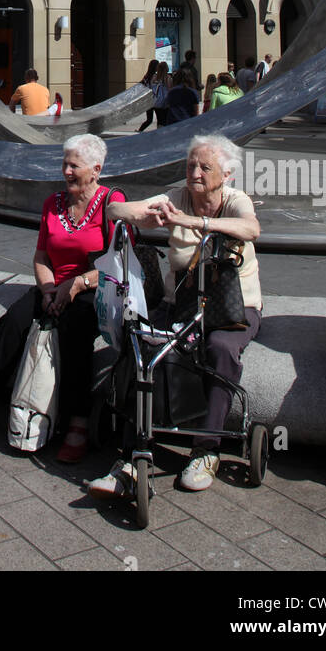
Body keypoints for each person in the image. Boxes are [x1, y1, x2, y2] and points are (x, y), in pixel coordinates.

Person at [0, 134, 169, 462]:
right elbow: (41, 256)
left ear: (95, 170)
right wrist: (46, 290)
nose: (66, 171)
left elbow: (120, 263)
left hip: (94, 289)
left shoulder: (111, 201)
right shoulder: (52, 203)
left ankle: (78, 421)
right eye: (64, 164)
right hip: (52, 286)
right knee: (12, 322)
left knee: (75, 329)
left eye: (75, 165)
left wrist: (75, 285)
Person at [88, 134, 262, 498]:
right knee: (144, 350)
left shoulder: (235, 200)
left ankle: (206, 450)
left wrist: (197, 224)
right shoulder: (176, 198)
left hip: (233, 307)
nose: (195, 172)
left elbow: (251, 229)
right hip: (182, 302)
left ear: (226, 174)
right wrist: (145, 214)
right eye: (190, 165)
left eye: (204, 167)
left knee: (220, 350)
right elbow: (115, 211)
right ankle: (131, 458)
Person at [137, 60, 160, 133]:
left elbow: (141, 85)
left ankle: (140, 130)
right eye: (157, 65)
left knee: (149, 119)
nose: (158, 67)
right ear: (155, 67)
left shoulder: (146, 76)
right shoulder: (155, 76)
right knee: (159, 118)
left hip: (148, 100)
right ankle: (159, 132)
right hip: (155, 100)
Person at [151, 61, 170, 127]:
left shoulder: (154, 77)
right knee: (165, 119)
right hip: (166, 102)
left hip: (157, 102)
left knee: (159, 119)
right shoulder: (168, 78)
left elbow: (151, 88)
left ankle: (159, 131)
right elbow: (170, 89)